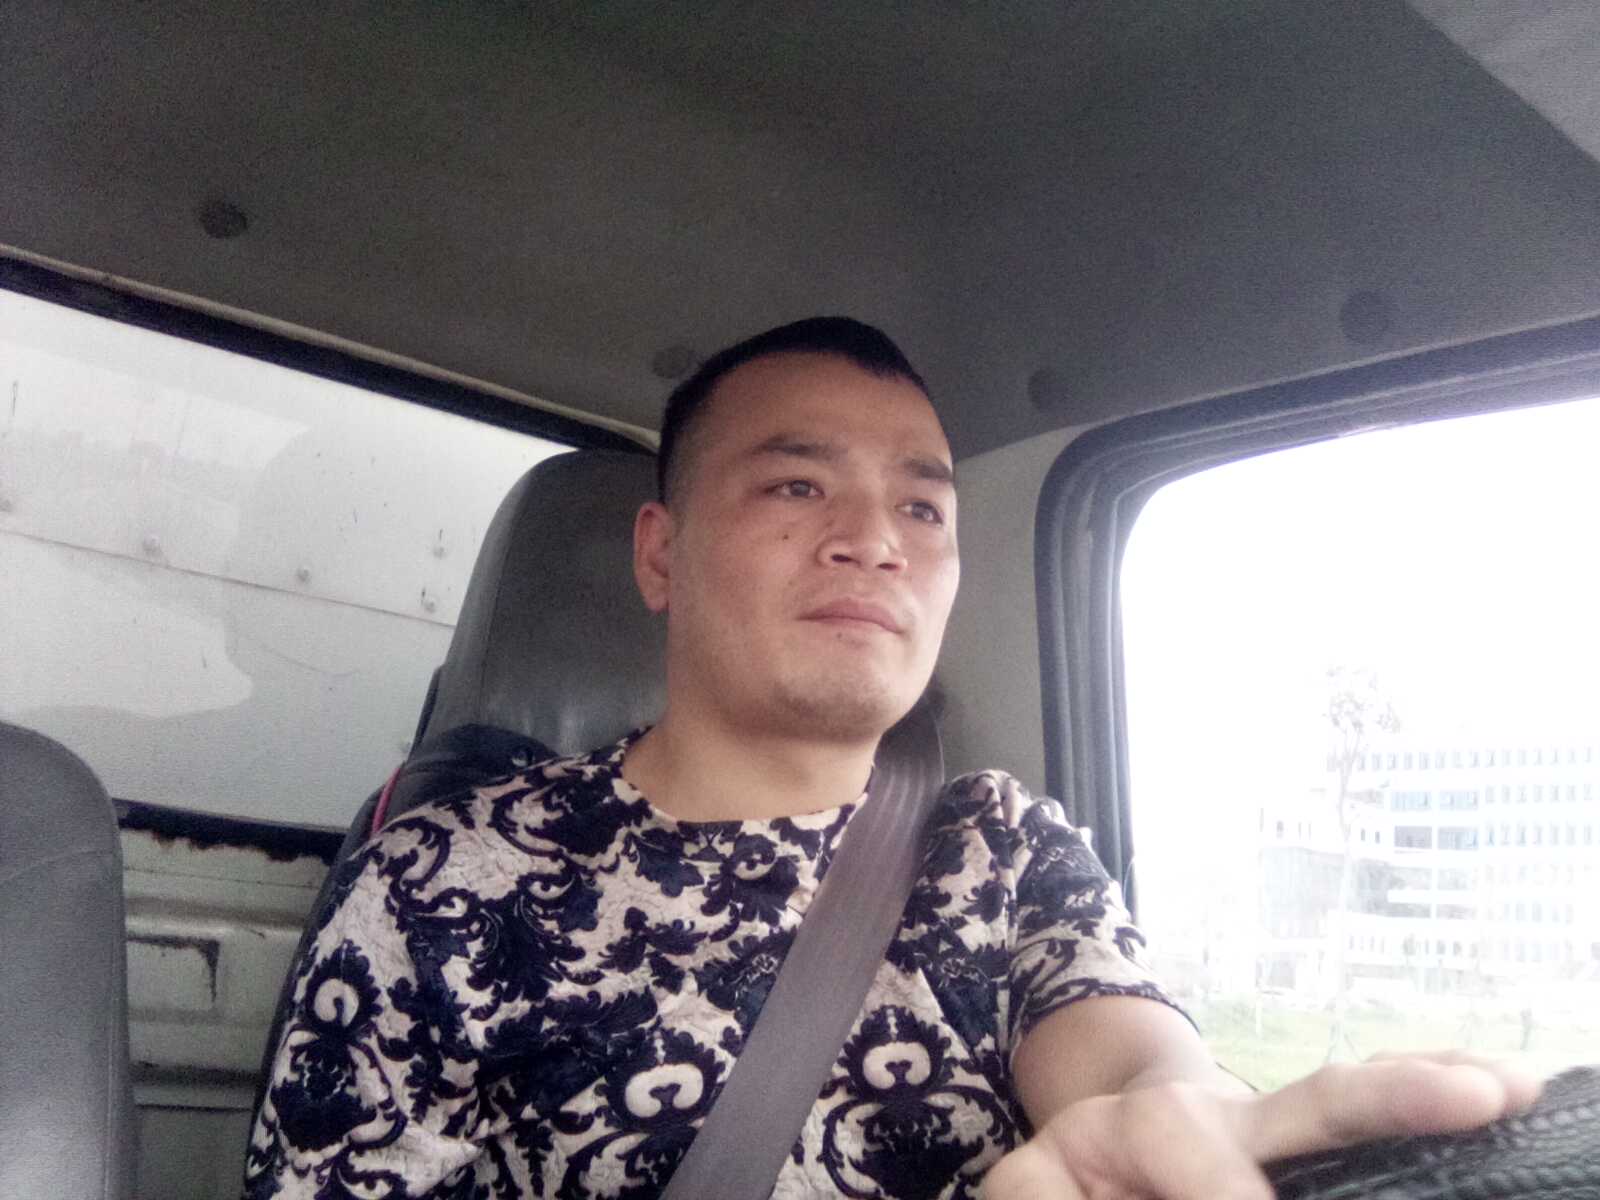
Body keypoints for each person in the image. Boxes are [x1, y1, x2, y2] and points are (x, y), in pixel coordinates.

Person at [244, 318, 1537, 1199]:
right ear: (660, 555)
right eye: (797, 486)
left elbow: (1123, 1051)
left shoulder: (1000, 843)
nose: (878, 540)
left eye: (922, 505)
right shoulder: (440, 882)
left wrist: (1177, 1108)